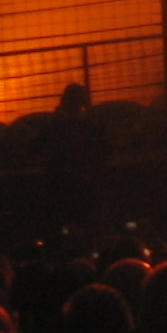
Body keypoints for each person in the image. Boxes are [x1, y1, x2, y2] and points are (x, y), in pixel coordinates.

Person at [35, 81, 109, 234]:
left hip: (60, 185)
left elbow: (35, 147)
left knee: (58, 224)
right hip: (84, 184)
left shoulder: (55, 126)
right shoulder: (91, 127)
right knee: (87, 224)